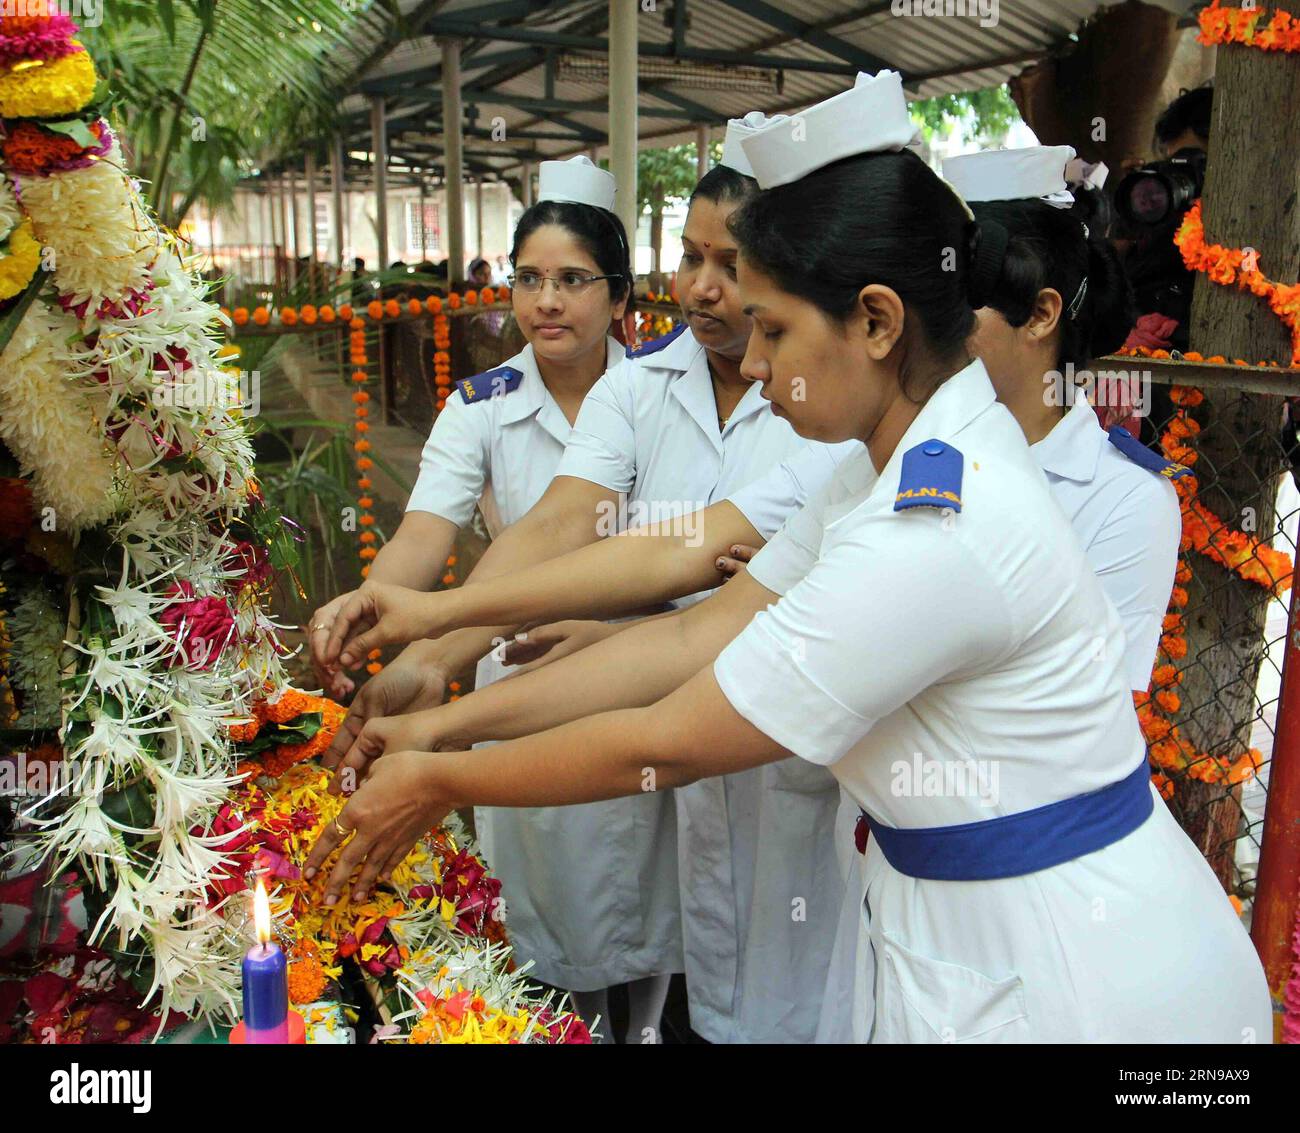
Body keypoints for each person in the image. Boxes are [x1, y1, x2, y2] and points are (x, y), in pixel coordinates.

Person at [307, 71, 1271, 1044]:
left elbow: (667, 736)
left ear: (878, 321)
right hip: (966, 930)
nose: (755, 364)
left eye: (773, 328)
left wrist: (443, 767)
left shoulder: (938, 521)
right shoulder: (882, 469)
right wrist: (440, 665)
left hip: (1081, 971)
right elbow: (697, 626)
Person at [315, 113, 859, 1044]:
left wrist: (444, 670)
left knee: (739, 982)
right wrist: (435, 649)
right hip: (615, 702)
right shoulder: (638, 389)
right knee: (601, 967)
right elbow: (570, 526)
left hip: (751, 745)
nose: (704, 289)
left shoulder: (840, 427)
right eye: (689, 257)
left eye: (735, 273)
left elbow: (685, 569)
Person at [309, 157, 680, 1044]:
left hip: (650, 672)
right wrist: (373, 604)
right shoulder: (482, 406)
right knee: (541, 929)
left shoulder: (669, 396)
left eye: (573, 280)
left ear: (620, 295)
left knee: (653, 921)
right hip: (516, 681)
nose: (548, 301)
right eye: (530, 279)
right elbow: (423, 536)